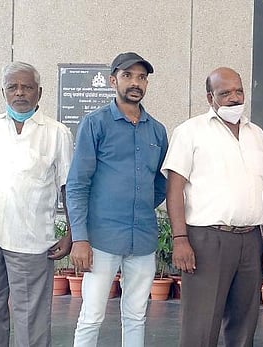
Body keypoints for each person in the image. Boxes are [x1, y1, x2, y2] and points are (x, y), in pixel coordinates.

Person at [0, 61, 74, 347]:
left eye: (27, 87)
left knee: (31, 317)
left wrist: (73, 233)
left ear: (40, 92)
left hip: (31, 239)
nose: (19, 93)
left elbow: (67, 186)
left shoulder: (56, 132)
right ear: (3, 92)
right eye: (13, 87)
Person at [67, 52, 168, 347]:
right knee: (92, 315)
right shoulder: (95, 124)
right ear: (113, 81)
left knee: (136, 316)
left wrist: (137, 205)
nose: (135, 83)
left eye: (141, 77)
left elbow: (160, 183)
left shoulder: (157, 131)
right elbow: (77, 183)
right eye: (128, 76)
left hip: (143, 239)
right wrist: (80, 239)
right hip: (101, 240)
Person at [164, 67, 263, 347]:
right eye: (225, 93)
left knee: (244, 324)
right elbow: (174, 189)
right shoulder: (190, 132)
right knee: (201, 324)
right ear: (210, 98)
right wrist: (180, 239)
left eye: (239, 91)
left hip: (250, 240)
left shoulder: (257, 134)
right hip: (207, 240)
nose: (234, 98)